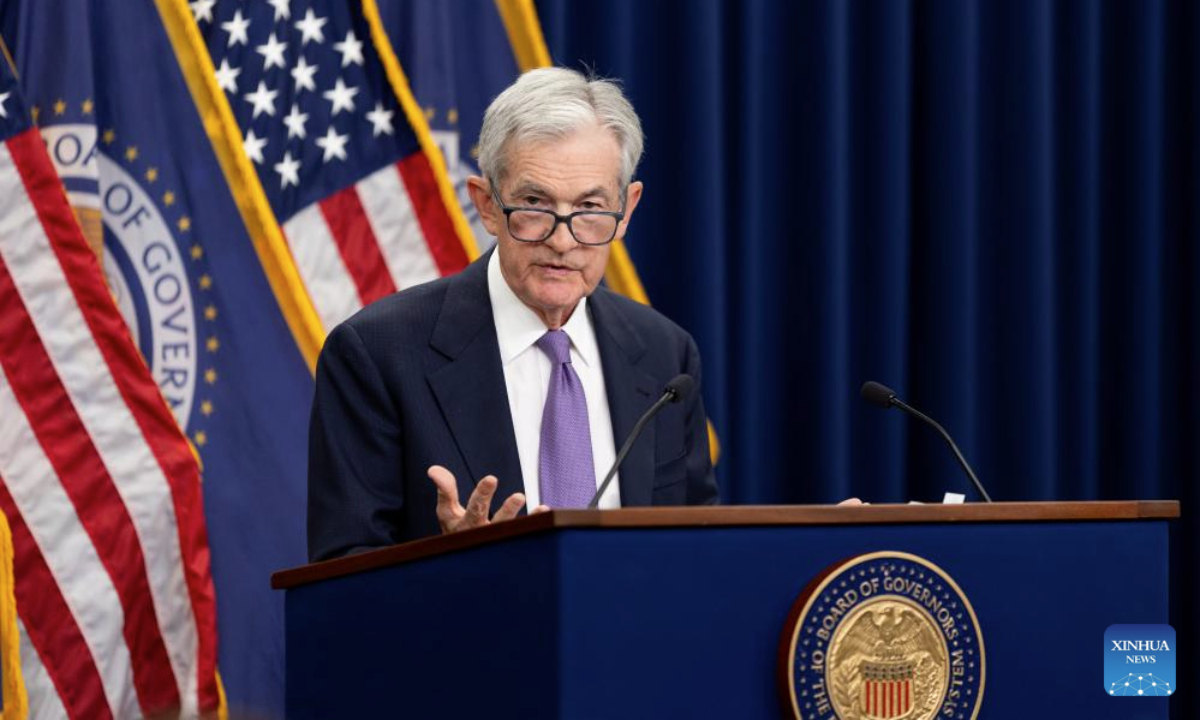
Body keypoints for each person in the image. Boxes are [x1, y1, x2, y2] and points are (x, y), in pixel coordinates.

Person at [307, 67, 718, 562]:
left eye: (590, 206)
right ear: (486, 204)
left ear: (626, 210)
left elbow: (698, 548)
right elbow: (341, 576)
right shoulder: (377, 355)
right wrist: (451, 565)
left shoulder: (664, 355)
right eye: (534, 204)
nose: (562, 241)